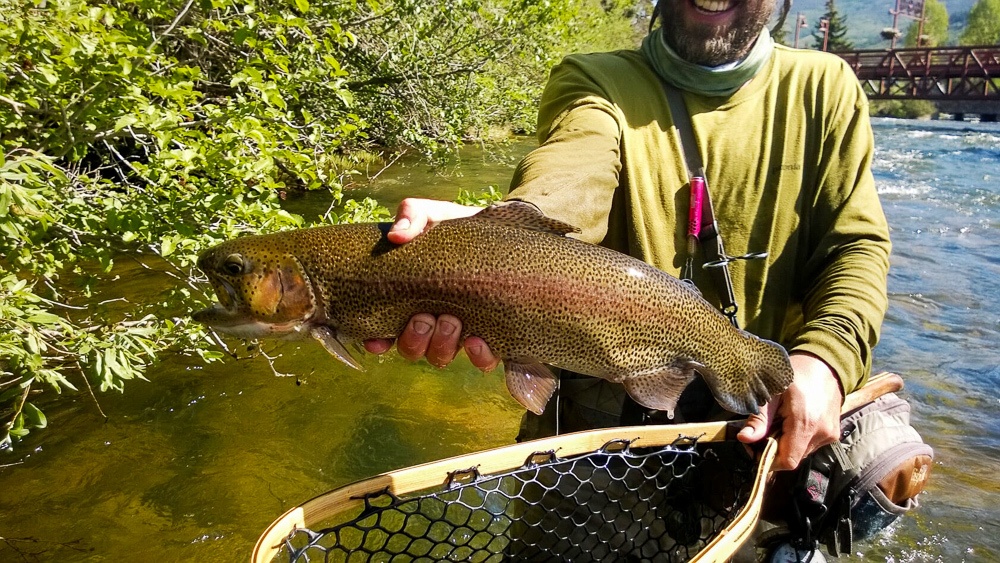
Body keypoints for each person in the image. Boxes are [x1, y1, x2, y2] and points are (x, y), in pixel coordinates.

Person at [364, 0, 890, 477]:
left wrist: (825, 361)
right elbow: (572, 176)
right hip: (589, 444)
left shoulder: (826, 89)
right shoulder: (595, 80)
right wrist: (493, 232)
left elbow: (854, 247)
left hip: (763, 430)